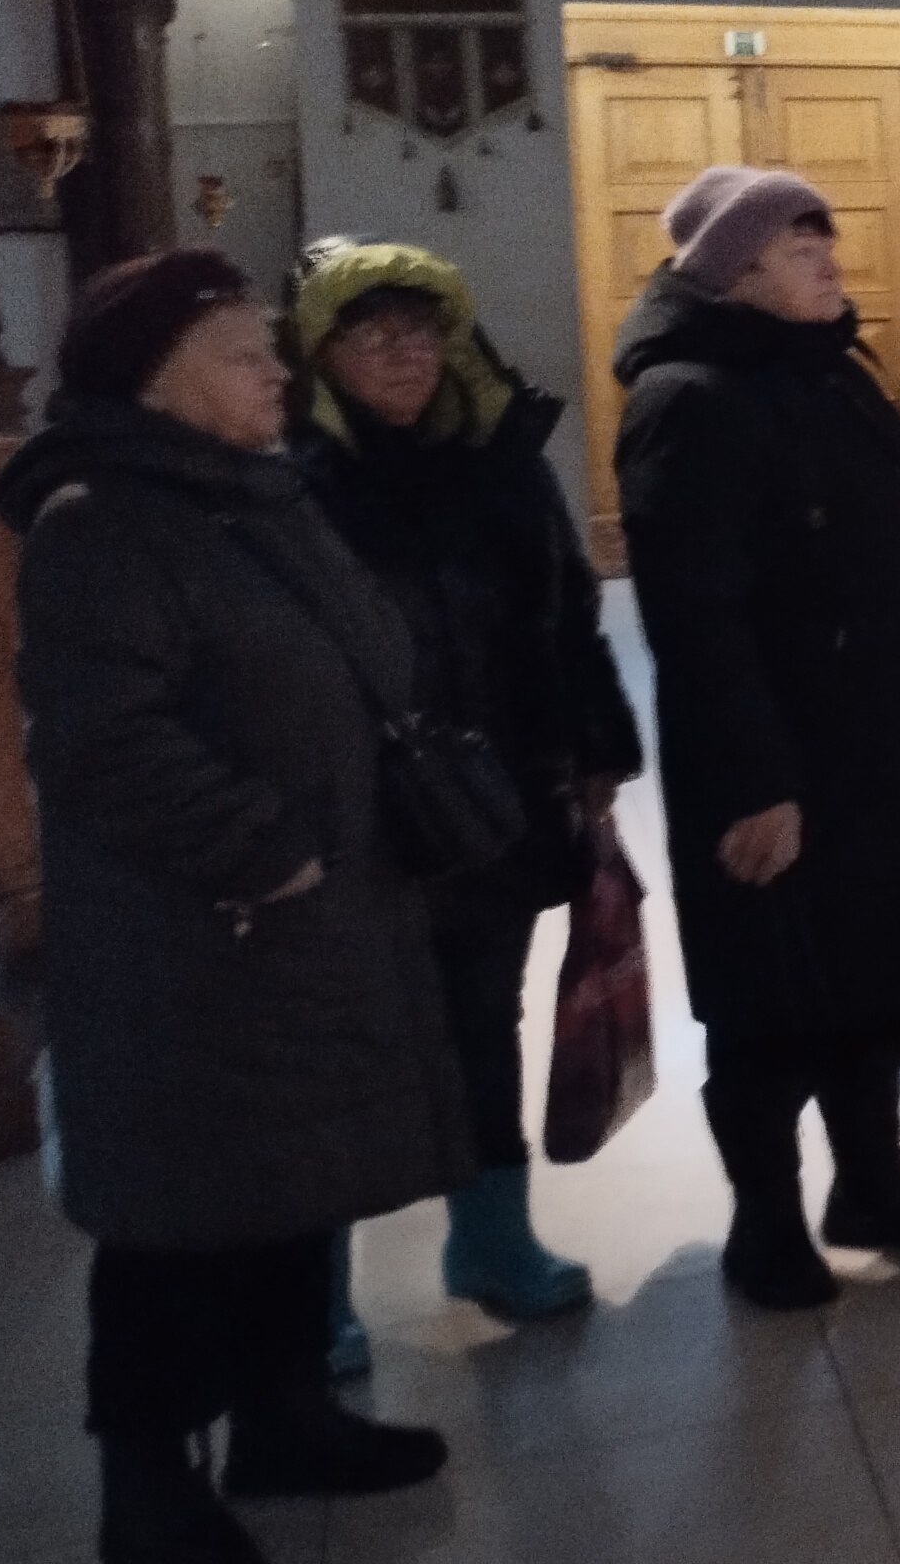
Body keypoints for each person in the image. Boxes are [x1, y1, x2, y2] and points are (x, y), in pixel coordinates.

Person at [3, 251, 467, 1559]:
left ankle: (284, 1415)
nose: (279, 372)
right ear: (154, 380)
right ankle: (147, 1487)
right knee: (179, 1222)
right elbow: (101, 743)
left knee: (288, 1180)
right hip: (202, 938)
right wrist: (261, 850)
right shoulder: (101, 522)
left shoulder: (250, 493)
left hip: (308, 918)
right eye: (243, 353)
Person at [615, 166, 900, 1310]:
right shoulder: (688, 398)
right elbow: (695, 616)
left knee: (876, 976)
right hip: (778, 765)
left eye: (824, 243)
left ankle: (872, 1185)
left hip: (884, 744)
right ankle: (765, 1224)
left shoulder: (829, 371)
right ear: (735, 272)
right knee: (772, 1003)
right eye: (803, 250)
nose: (831, 264)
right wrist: (758, 784)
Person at [288, 242, 642, 1329]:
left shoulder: (499, 457)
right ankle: (317, 1299)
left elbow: (567, 611)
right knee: (343, 1048)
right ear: (322, 354)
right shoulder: (287, 477)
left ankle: (491, 1244)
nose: (405, 355)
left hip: (497, 794)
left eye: (422, 333)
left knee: (484, 1022)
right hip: (355, 810)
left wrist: (596, 748)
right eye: (373, 336)